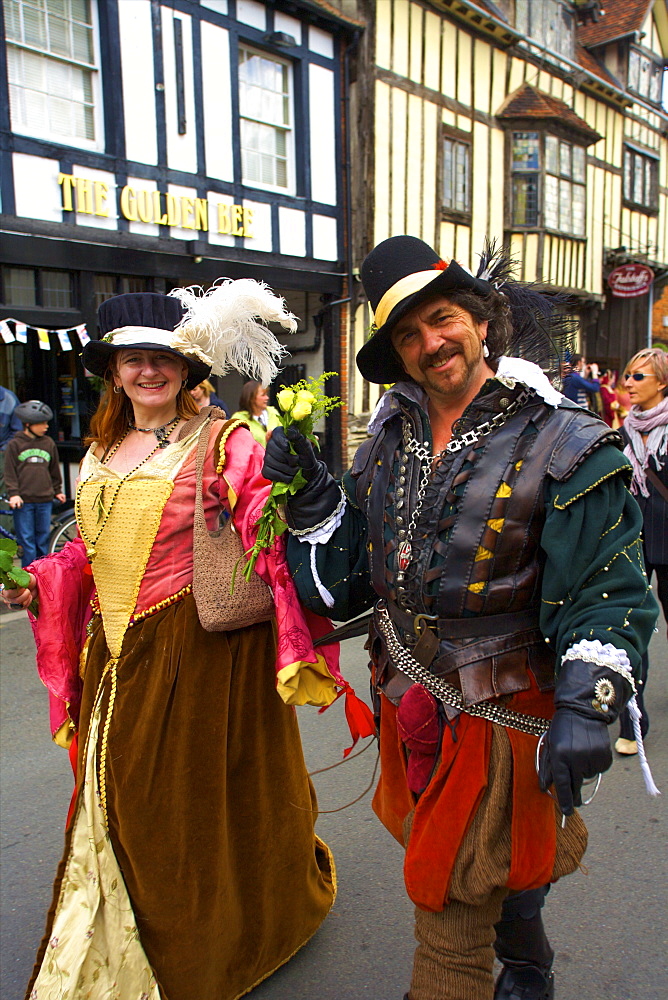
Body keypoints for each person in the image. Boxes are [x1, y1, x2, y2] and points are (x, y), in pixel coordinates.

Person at [262, 236, 658, 1000]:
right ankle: (531, 968)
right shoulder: (385, 437)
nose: (429, 343)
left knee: (447, 898)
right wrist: (316, 500)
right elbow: (349, 589)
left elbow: (608, 589)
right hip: (406, 702)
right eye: (407, 335)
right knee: (484, 868)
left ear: (479, 320)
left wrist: (590, 702)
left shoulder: (566, 439)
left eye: (440, 319)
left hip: (504, 713)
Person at [1, 287, 343, 1000]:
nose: (149, 371)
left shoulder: (225, 443)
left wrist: (295, 487)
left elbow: (270, 540)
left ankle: (200, 941)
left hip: (197, 655)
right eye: (134, 359)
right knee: (114, 798)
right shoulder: (96, 451)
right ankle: (109, 929)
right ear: (113, 371)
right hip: (113, 657)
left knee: (181, 807)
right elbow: (88, 557)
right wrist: (38, 583)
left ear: (189, 370)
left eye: (164, 358)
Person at [615, 347, 668, 755]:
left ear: (661, 383)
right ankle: (633, 720)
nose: (628, 384)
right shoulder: (624, 430)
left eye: (638, 377)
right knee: (634, 626)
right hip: (636, 537)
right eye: (628, 376)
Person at [4, 400, 66, 565]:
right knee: (27, 540)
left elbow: (54, 469)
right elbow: (9, 472)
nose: (46, 426)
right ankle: (30, 574)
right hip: (24, 501)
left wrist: (57, 490)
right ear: (28, 424)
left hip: (44, 500)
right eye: (42, 423)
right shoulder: (15, 444)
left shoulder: (48, 443)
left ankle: (44, 573)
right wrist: (14, 494)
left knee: (43, 538)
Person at [232, 379, 282, 446]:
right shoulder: (238, 418)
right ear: (251, 398)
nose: (267, 398)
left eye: (266, 394)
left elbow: (283, 434)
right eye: (263, 395)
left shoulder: (273, 412)